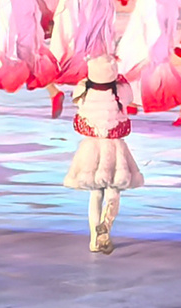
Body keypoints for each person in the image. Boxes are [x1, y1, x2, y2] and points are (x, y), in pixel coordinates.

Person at [63, 53, 142, 253]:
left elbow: (77, 104)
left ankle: (93, 240)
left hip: (91, 147)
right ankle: (106, 225)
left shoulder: (83, 90)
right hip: (114, 147)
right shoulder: (120, 91)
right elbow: (130, 99)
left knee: (95, 194)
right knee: (114, 191)